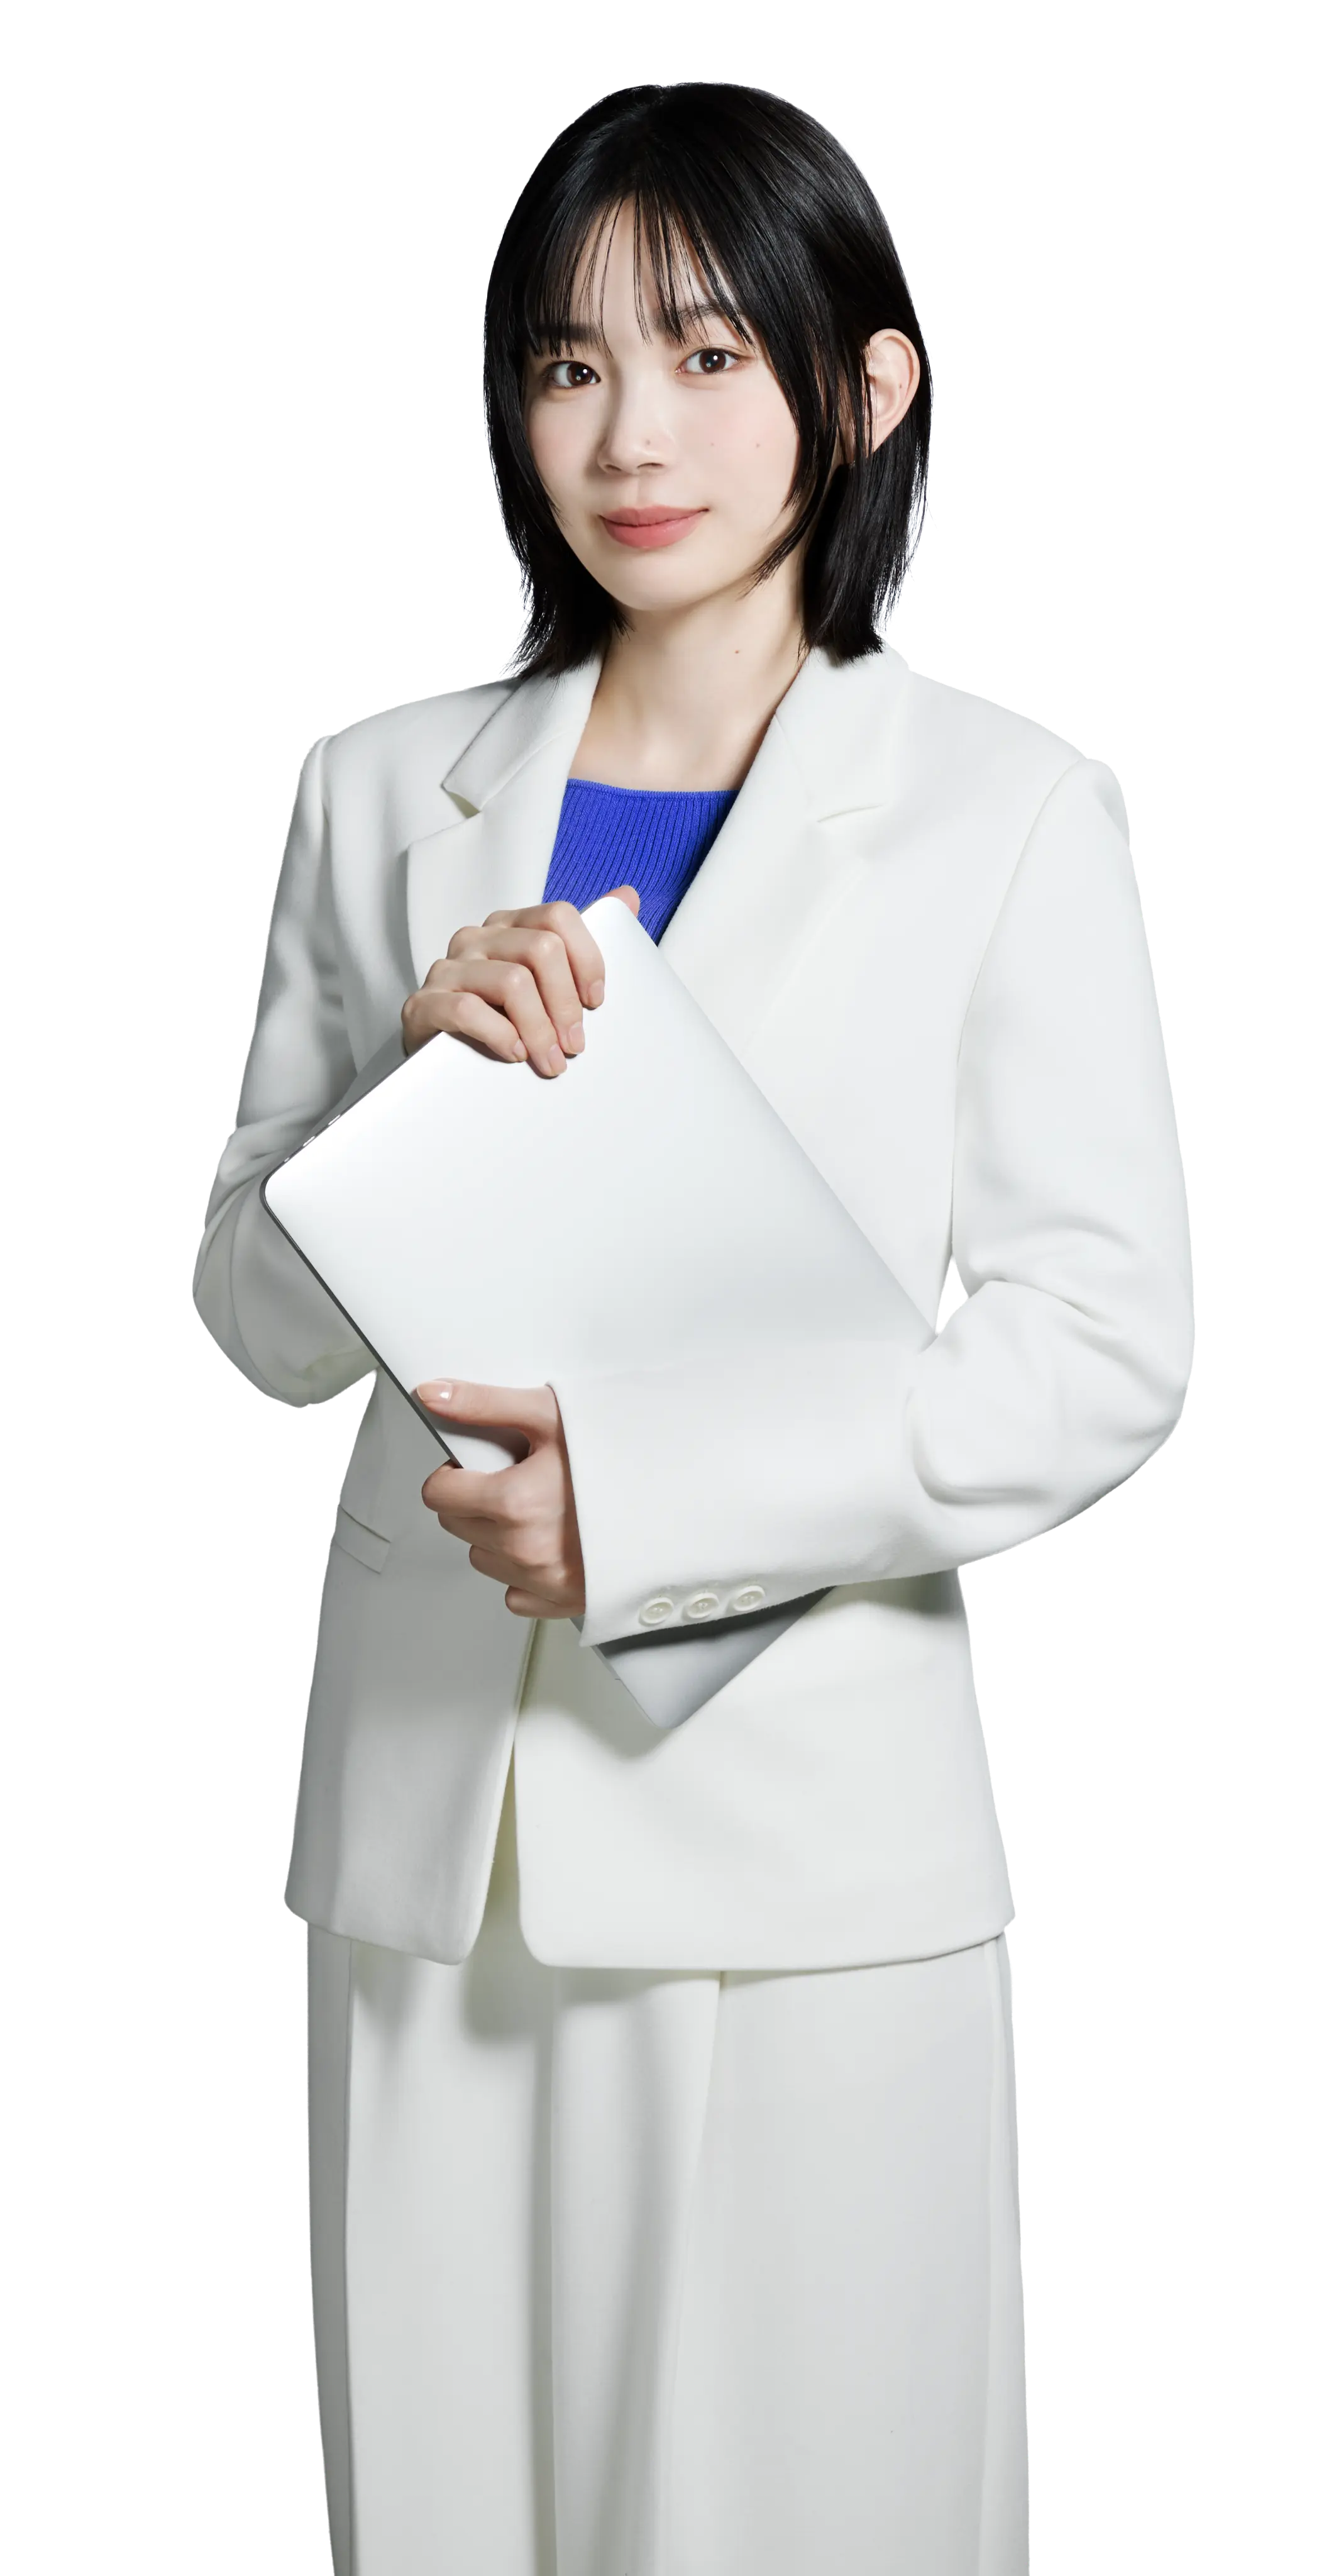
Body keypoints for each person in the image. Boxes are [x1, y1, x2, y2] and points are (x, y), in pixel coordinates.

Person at [192, 79, 1194, 2576]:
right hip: (431, 1854)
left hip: (800, 1859)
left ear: (865, 389)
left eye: (709, 352)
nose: (629, 434)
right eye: (567, 364)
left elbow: (1097, 1338)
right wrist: (400, 1091)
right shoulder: (376, 792)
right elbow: (257, 1324)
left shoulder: (1006, 809)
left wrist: (651, 1508)